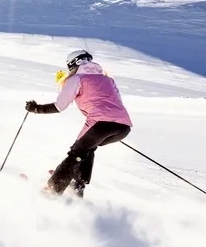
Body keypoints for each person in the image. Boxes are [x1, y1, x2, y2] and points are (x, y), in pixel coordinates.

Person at [26, 49, 132, 198]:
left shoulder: (77, 79)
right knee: (87, 149)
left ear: (73, 65)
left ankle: (54, 190)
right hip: (124, 127)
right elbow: (116, 103)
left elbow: (59, 106)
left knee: (76, 153)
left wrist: (36, 108)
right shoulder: (108, 79)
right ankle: (77, 185)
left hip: (100, 124)